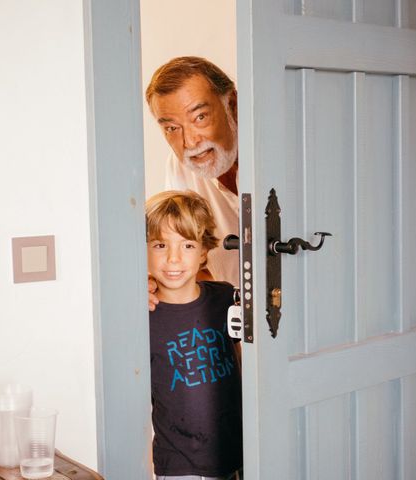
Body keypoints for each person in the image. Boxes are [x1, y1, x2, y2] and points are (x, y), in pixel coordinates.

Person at [146, 190, 243, 480]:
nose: (174, 258)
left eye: (187, 245)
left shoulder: (225, 297)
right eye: (160, 245)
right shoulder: (141, 314)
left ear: (203, 251)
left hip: (234, 454)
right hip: (180, 465)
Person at [146, 57, 239, 312]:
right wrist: (154, 283)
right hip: (232, 323)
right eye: (172, 128)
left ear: (232, 105)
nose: (189, 142)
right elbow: (185, 259)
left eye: (199, 117)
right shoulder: (180, 166)